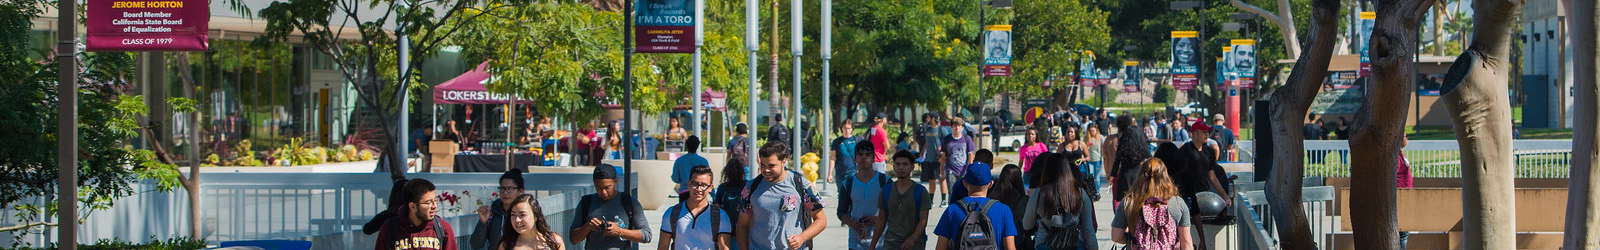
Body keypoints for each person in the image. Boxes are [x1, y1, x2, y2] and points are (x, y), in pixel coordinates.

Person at [737, 141, 828, 250]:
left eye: (771, 166)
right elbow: (742, 225)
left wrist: (802, 238)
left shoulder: (801, 185)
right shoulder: (751, 187)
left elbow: (821, 220)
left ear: (784, 161)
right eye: (762, 165)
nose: (766, 170)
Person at [932, 162, 1018, 250]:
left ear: (964, 183)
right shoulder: (1003, 210)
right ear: (991, 184)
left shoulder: (952, 210)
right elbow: (1010, 247)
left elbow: (940, 247)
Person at [1111, 158, 1193, 250]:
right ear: (1165, 176)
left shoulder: (1129, 202)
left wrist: (1133, 239)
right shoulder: (1177, 203)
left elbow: (1116, 236)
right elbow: (1186, 242)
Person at [1022, 153, 1098, 250]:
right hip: (1073, 244)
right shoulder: (1080, 193)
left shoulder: (1039, 193)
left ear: (1046, 170)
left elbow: (1026, 224)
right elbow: (1088, 230)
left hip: (1044, 244)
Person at [570, 165, 653, 250]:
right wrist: (587, 227)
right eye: (598, 188)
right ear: (594, 183)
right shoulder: (586, 203)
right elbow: (573, 239)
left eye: (607, 187)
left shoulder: (629, 203)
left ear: (615, 181)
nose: (603, 192)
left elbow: (647, 235)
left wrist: (620, 231)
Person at [658, 165, 733, 250]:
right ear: (689, 184)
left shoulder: (720, 216)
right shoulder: (672, 213)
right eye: (695, 184)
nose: (699, 189)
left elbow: (724, 247)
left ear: (710, 188)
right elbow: (663, 247)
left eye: (704, 185)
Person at [872, 151, 933, 250]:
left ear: (912, 167)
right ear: (893, 167)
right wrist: (872, 245)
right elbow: (881, 219)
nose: (901, 168)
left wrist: (912, 239)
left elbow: (923, 220)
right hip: (890, 244)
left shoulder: (920, 191)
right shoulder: (886, 191)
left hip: (914, 245)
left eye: (905, 164)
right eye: (898, 164)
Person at [376, 178, 459, 250]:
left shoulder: (443, 229)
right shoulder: (389, 228)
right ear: (412, 207)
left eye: (435, 200)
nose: (434, 206)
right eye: (428, 202)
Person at [837, 142, 889, 249]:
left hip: (882, 242)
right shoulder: (848, 184)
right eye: (860, 155)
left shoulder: (885, 182)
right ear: (855, 159)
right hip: (856, 243)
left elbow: (895, 211)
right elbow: (841, 212)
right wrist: (853, 223)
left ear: (874, 159)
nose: (864, 158)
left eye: (868, 155)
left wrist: (877, 219)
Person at [472, 170, 526, 250]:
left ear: (520, 191)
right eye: (502, 188)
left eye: (509, 189)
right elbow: (475, 245)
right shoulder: (492, 213)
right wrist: (482, 223)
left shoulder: (527, 214)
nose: (505, 193)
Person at [1108, 116, 1152, 205]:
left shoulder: (1123, 146)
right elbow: (1150, 158)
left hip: (1125, 175)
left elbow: (1117, 161)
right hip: (1138, 174)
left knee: (1126, 202)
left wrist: (1112, 176)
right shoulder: (1141, 147)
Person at [498, 194, 566, 250]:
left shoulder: (554, 242)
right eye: (513, 215)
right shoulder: (506, 246)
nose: (517, 220)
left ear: (535, 216)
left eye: (522, 215)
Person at [988, 164, 1033, 249]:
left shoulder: (992, 198)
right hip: (1018, 240)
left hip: (995, 240)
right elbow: (1028, 223)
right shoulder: (1023, 200)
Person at [712, 160, 751, 250]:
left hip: (727, 228)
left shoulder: (723, 187)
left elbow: (717, 207)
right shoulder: (747, 185)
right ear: (742, 171)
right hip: (744, 227)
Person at [940, 118, 976, 206]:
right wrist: (942, 169)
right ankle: (951, 212)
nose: (957, 128)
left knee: (965, 193)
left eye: (959, 126)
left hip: (964, 171)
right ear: (951, 127)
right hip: (951, 170)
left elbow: (970, 155)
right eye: (955, 126)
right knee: (952, 193)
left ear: (962, 127)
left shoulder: (967, 139)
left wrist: (970, 168)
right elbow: (944, 156)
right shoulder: (947, 139)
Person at [916, 113, 947, 208]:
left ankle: (944, 200)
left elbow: (947, 143)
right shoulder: (928, 129)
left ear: (933, 118)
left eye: (929, 117)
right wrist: (922, 152)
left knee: (941, 179)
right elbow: (927, 142)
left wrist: (942, 150)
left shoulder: (942, 130)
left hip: (939, 159)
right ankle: (931, 201)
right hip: (930, 159)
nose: (927, 119)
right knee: (931, 180)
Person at [829, 121, 861, 191]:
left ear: (852, 129)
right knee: (841, 194)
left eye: (849, 128)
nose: (847, 130)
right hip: (840, 172)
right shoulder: (837, 142)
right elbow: (832, 158)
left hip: (853, 171)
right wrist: (830, 174)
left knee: (852, 193)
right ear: (842, 128)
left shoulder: (857, 140)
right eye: (845, 128)